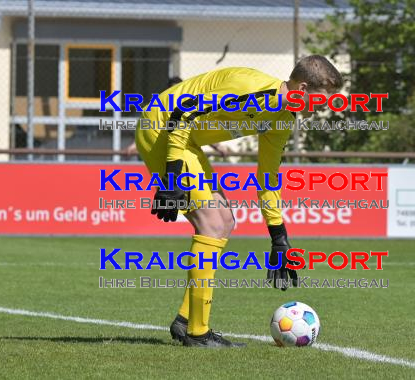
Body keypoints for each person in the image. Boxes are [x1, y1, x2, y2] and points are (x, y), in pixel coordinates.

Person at [135, 55, 343, 348]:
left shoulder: (282, 118)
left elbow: (268, 178)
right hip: (161, 127)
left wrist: (278, 237)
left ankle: (185, 320)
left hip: (186, 140)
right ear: (304, 88)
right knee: (212, 223)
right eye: (322, 100)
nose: (324, 108)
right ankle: (197, 333)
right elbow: (181, 114)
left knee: (225, 221)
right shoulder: (253, 92)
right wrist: (171, 178)